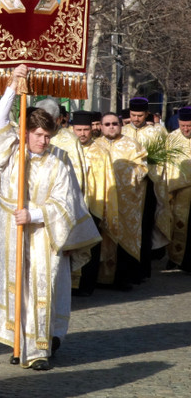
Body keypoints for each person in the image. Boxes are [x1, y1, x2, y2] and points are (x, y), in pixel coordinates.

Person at [0, 66, 100, 371]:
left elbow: (66, 200)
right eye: (39, 135)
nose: (44, 141)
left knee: (41, 290)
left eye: (48, 135)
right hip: (11, 231)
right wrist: (14, 85)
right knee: (17, 288)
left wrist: (33, 214)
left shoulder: (60, 159)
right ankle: (19, 342)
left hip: (45, 233)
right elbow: (2, 120)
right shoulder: (11, 149)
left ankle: (41, 349)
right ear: (26, 132)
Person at [69, 111, 121, 296]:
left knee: (91, 245)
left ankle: (86, 286)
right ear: (72, 129)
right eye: (78, 130)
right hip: (71, 206)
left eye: (86, 130)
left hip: (93, 205)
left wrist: (107, 207)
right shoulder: (65, 149)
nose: (82, 134)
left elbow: (108, 182)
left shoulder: (101, 152)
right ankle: (69, 285)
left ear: (92, 129)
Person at [121, 96, 171, 279]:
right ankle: (128, 269)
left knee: (145, 225)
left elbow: (164, 158)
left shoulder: (156, 132)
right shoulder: (123, 131)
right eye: (133, 115)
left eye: (139, 115)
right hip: (128, 187)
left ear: (146, 114)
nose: (136, 119)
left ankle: (143, 269)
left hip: (148, 184)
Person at [95, 112, 146, 289]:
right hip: (103, 200)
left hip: (126, 202)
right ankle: (101, 278)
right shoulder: (96, 146)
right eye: (107, 124)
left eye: (114, 124)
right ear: (101, 127)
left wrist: (124, 172)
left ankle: (122, 279)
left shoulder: (132, 144)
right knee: (102, 238)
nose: (111, 127)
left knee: (124, 239)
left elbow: (142, 169)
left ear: (120, 125)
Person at [165, 107, 191, 273]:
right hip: (179, 190)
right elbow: (167, 164)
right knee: (178, 223)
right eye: (183, 126)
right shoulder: (172, 138)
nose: (186, 129)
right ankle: (175, 258)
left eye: (189, 126)